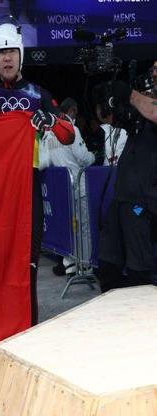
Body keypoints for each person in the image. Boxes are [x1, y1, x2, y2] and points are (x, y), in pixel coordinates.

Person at [0, 16, 75, 325]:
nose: (6, 58)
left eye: (11, 52)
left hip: (28, 194)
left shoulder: (38, 94)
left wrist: (51, 121)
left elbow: (69, 135)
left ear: (20, 54)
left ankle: (29, 332)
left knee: (28, 270)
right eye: (1, 52)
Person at [97, 69, 157, 292]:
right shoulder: (143, 109)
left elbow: (153, 111)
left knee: (139, 270)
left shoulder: (149, 108)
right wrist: (108, 97)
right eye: (153, 71)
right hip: (122, 197)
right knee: (107, 264)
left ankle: (143, 311)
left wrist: (129, 94)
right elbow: (110, 118)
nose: (154, 74)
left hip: (144, 202)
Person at [42, 98, 95, 275]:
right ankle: (85, 264)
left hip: (61, 189)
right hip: (78, 186)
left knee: (68, 227)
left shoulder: (48, 134)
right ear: (72, 111)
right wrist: (94, 157)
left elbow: (45, 162)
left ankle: (70, 264)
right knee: (83, 227)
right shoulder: (72, 129)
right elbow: (83, 157)